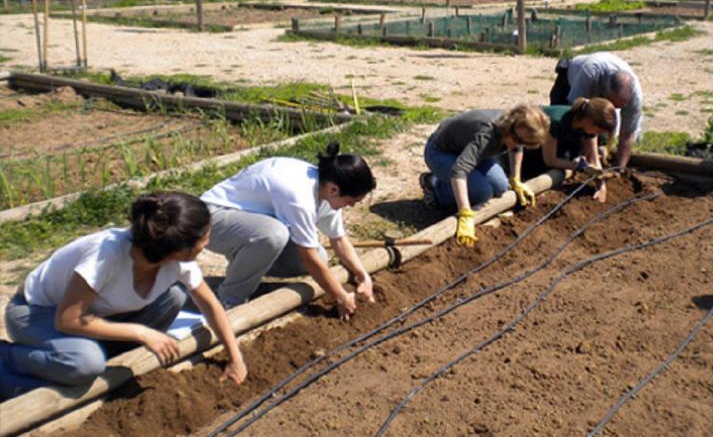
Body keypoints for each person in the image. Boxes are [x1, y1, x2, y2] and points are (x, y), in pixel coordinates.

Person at [0, 191, 246, 401]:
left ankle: (98, 353)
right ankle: (7, 360)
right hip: (37, 313)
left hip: (95, 315)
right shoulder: (106, 256)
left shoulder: (177, 260)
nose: (207, 243)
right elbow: (67, 320)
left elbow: (210, 305)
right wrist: (141, 332)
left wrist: (235, 358)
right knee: (85, 364)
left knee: (174, 296)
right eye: (204, 238)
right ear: (180, 247)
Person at [201, 142, 376, 319]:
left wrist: (362, 275)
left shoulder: (326, 190)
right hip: (212, 220)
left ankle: (245, 267)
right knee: (273, 235)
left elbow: (338, 239)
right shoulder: (299, 196)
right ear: (334, 189)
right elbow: (308, 258)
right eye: (351, 200)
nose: (351, 206)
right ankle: (228, 301)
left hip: (248, 225)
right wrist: (340, 296)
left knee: (320, 255)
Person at [419, 104, 550, 247]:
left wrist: (516, 179)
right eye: (517, 139)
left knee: (501, 186)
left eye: (525, 143)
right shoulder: (488, 133)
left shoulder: (516, 130)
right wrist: (465, 213)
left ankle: (449, 183)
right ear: (510, 126)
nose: (518, 144)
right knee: (481, 192)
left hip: (471, 150)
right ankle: (434, 185)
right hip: (441, 151)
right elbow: (459, 170)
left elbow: (517, 148)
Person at [549, 52, 643, 169]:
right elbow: (575, 114)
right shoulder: (591, 72)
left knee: (599, 137)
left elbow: (627, 135)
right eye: (611, 103)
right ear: (606, 91)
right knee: (563, 133)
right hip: (569, 83)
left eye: (618, 107)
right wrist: (587, 156)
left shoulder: (635, 98)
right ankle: (556, 164)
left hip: (594, 101)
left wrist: (619, 169)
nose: (613, 109)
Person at [521, 97, 617, 202]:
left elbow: (594, 160)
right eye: (598, 130)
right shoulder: (555, 122)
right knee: (536, 167)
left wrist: (601, 186)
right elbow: (550, 160)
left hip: (558, 143)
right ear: (590, 121)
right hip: (529, 144)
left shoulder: (587, 126)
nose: (598, 134)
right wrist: (580, 167)